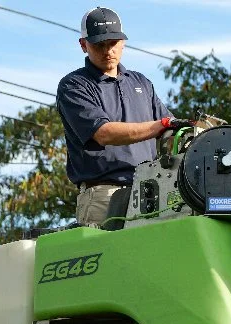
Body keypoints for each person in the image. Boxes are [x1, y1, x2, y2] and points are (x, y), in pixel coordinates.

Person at [56, 7, 189, 226]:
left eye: (113, 43)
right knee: (108, 259)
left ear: (123, 42)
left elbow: (170, 133)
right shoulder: (74, 85)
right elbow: (103, 133)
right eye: (99, 44)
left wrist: (191, 133)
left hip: (151, 192)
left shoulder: (141, 83)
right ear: (83, 45)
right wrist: (162, 125)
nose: (107, 50)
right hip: (103, 196)